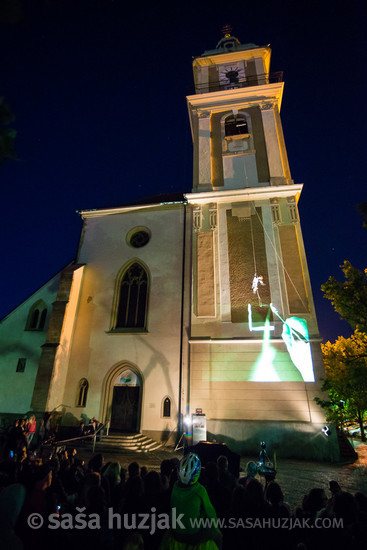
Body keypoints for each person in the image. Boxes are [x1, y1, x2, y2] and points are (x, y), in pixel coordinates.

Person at [161, 453, 222, 549]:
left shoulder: (174, 487)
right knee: (218, 536)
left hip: (175, 532)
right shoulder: (200, 490)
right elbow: (211, 513)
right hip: (193, 534)